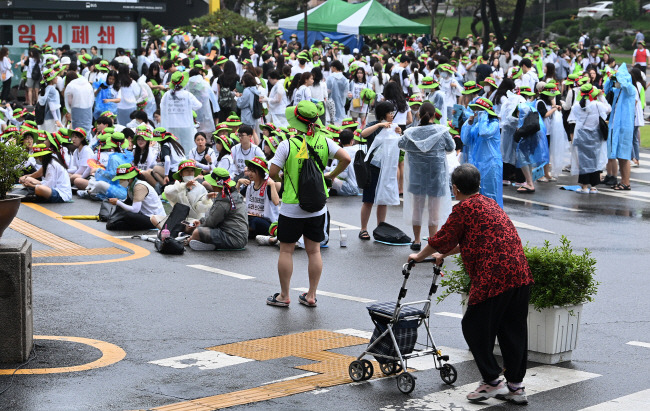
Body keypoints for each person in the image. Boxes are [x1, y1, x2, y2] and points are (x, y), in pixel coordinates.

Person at [408, 163, 533, 405]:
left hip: (494, 276)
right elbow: (473, 238)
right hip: (519, 273)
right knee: (512, 330)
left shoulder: (463, 209)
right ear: (478, 185)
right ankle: (516, 387)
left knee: (474, 325)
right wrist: (445, 254)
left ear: (454, 188)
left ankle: (492, 381)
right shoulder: (489, 203)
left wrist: (418, 256)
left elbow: (440, 239)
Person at [267, 100, 351, 308]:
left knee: (286, 250)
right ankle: (311, 295)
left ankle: (284, 295)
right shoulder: (325, 141)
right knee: (314, 251)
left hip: (291, 207)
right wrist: (330, 175)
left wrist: (284, 178)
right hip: (317, 206)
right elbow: (346, 158)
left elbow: (272, 173)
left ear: (297, 121)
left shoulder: (287, 144)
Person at [399, 102, 455, 251]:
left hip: (417, 175)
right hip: (436, 175)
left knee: (417, 208)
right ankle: (432, 241)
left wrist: (414, 125)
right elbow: (451, 147)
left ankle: (416, 240)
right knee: (433, 209)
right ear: (434, 115)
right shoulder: (442, 131)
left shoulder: (411, 133)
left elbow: (401, 143)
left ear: (419, 114)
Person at [358, 101, 402, 240]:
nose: (392, 116)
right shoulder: (374, 126)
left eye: (392, 113)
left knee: (383, 200)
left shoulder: (393, 127)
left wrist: (399, 132)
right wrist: (379, 125)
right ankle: (363, 229)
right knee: (368, 200)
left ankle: (380, 228)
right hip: (373, 169)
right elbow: (363, 134)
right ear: (383, 114)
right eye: (390, 113)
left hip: (387, 169)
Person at [185, 167, 248, 251]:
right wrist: (201, 221)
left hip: (233, 239)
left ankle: (204, 243)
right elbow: (212, 217)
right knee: (196, 227)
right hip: (240, 238)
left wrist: (199, 226)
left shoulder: (224, 201)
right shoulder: (232, 194)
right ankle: (204, 242)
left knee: (197, 232)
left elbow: (211, 222)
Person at [460, 97, 503, 207]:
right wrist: (469, 123)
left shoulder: (494, 124)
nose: (476, 113)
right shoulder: (476, 125)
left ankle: (494, 222)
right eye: (476, 110)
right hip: (477, 164)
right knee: (476, 197)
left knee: (491, 196)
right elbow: (465, 140)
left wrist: (483, 116)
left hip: (491, 164)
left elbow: (484, 133)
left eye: (479, 110)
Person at [569, 85, 610, 193]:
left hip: (582, 135)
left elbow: (574, 111)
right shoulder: (598, 105)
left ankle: (584, 186)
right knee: (595, 160)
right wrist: (601, 96)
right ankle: (593, 185)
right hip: (595, 135)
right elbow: (608, 109)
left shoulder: (577, 106)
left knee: (583, 161)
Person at [604, 63, 635, 191]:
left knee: (624, 155)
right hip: (616, 125)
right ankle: (623, 181)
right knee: (618, 155)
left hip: (625, 126)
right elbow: (607, 89)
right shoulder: (619, 90)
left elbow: (626, 84)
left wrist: (618, 75)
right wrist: (610, 78)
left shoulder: (630, 89)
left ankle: (626, 182)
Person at [106, 164, 165, 230]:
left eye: (123, 179)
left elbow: (135, 210)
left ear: (130, 178)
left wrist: (118, 202)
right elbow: (128, 202)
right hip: (144, 215)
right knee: (120, 217)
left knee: (128, 216)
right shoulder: (131, 186)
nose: (121, 181)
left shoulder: (139, 186)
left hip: (155, 220)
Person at [236, 156, 280, 239]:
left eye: (253, 171)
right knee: (238, 217)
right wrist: (238, 183)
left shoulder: (268, 185)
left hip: (268, 222)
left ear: (260, 172)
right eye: (249, 170)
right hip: (251, 218)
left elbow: (276, 202)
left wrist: (273, 185)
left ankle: (243, 232)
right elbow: (236, 200)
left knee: (255, 222)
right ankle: (248, 232)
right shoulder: (249, 185)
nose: (249, 174)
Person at [160, 71, 202, 153]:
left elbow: (162, 106)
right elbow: (198, 105)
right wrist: (187, 107)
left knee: (173, 146)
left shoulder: (167, 95)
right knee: (186, 146)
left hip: (171, 125)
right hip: (185, 124)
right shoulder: (187, 95)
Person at [326, 61, 348, 125]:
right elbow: (346, 93)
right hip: (341, 103)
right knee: (340, 121)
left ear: (334, 68)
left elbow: (327, 91)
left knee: (331, 120)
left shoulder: (330, 78)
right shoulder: (344, 79)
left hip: (331, 102)